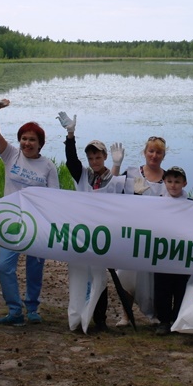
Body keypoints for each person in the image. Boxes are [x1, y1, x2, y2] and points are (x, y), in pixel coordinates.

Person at [0, 98, 59, 326]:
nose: (27, 143)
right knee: (3, 266)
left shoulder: (48, 166)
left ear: (40, 144)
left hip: (36, 222)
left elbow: (53, 197)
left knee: (34, 267)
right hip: (10, 219)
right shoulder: (11, 155)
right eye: (24, 138)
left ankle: (32, 308)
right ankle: (14, 310)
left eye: (32, 139)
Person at [59, 111, 125, 332]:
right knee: (80, 275)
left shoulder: (114, 177)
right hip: (81, 233)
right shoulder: (83, 175)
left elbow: (120, 197)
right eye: (91, 158)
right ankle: (78, 314)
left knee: (100, 277)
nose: (94, 161)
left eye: (98, 157)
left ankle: (100, 319)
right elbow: (70, 160)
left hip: (103, 235)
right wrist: (70, 134)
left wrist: (117, 166)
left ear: (105, 156)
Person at [114, 135, 168, 326]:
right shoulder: (132, 173)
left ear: (164, 155)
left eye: (158, 152)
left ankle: (152, 313)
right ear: (145, 153)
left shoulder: (168, 178)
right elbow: (112, 191)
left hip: (157, 237)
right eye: (151, 151)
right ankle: (126, 315)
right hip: (133, 234)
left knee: (151, 278)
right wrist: (116, 166)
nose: (154, 155)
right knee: (126, 274)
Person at [154, 166, 191, 336]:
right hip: (163, 253)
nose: (173, 185)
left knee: (181, 288)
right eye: (169, 181)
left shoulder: (192, 204)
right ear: (164, 182)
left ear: (184, 183)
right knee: (162, 287)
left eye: (177, 182)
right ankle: (163, 321)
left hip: (183, 254)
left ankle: (178, 319)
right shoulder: (157, 202)